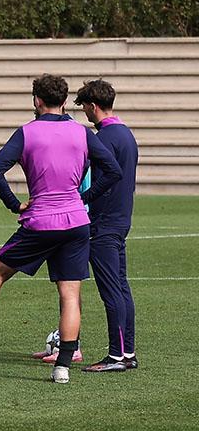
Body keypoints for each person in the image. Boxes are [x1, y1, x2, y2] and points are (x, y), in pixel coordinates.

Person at [0, 74, 122, 384]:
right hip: (76, 222)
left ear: (36, 100)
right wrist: (83, 198)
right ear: (65, 101)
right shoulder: (82, 132)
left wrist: (14, 204)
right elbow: (113, 170)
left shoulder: (27, 132)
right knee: (70, 294)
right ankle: (62, 368)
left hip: (40, 221)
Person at [75, 79, 139, 373]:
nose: (85, 113)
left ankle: (116, 356)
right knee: (121, 287)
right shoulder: (126, 134)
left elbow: (107, 177)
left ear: (93, 106)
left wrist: (84, 197)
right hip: (121, 219)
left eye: (85, 107)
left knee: (111, 290)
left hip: (104, 223)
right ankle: (128, 352)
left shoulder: (104, 138)